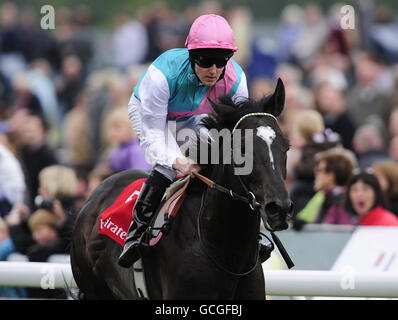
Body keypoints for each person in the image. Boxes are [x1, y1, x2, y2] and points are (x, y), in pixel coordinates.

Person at [118, 14, 249, 267]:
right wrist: (177, 160)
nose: (214, 70)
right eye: (206, 61)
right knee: (168, 166)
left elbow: (235, 135)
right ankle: (136, 232)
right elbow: (155, 134)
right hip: (151, 115)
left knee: (220, 159)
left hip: (192, 116)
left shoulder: (237, 80)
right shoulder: (162, 74)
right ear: (191, 56)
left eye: (221, 61)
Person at [293, 147, 356, 229]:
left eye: (319, 169)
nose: (315, 173)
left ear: (331, 176)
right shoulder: (325, 196)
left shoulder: (342, 202)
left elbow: (336, 234)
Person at [324, 168, 398, 226]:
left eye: (365, 189)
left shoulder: (389, 224)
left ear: (376, 193)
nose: (359, 194)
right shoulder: (352, 224)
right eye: (354, 190)